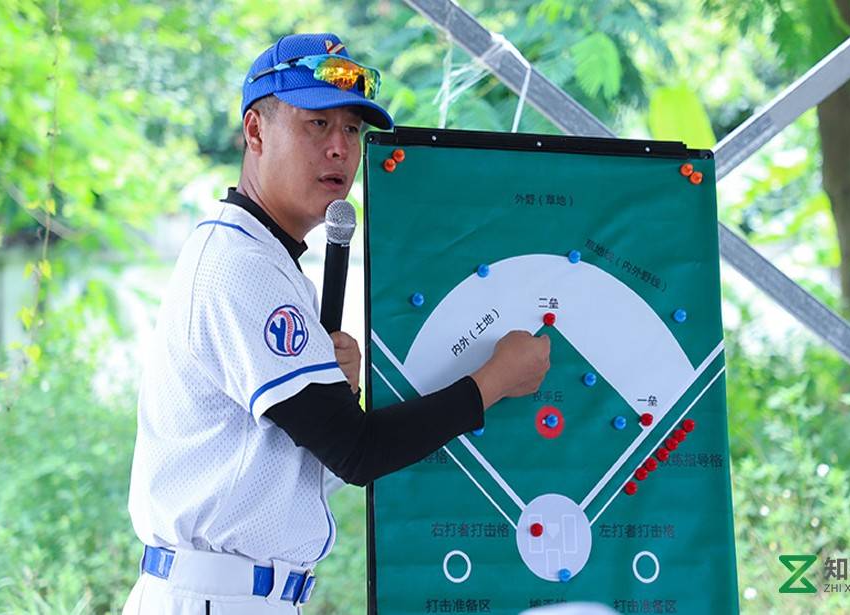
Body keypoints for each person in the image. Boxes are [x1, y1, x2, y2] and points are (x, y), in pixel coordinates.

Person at [123, 33, 551, 614]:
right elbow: (357, 453)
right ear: (255, 131)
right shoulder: (241, 264)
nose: (340, 150)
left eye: (352, 130)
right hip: (215, 597)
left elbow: (311, 455)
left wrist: (336, 391)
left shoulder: (263, 258)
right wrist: (496, 378)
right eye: (317, 124)